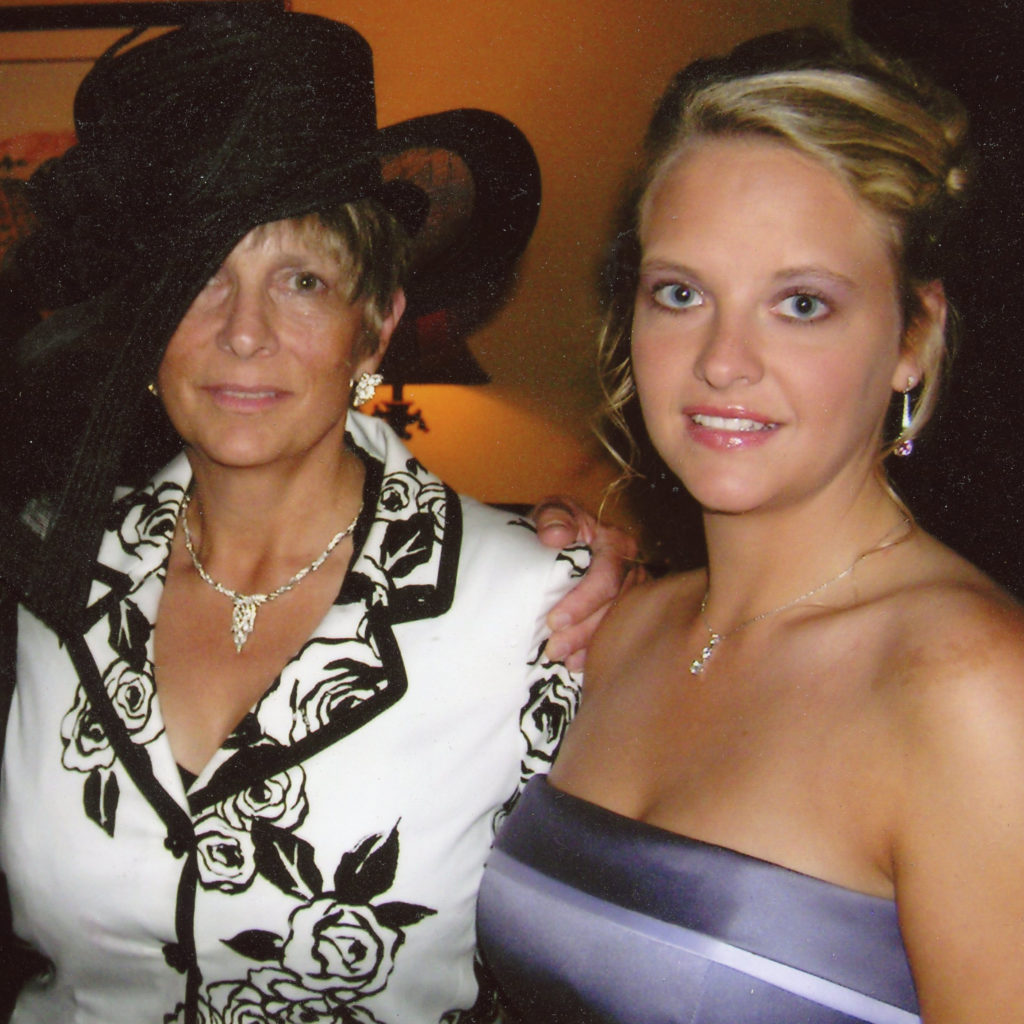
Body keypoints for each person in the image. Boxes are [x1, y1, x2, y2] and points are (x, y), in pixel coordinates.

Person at [0, 9, 634, 1023]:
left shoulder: (538, 613)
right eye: (199, 278)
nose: (244, 332)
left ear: (375, 325)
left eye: (301, 280)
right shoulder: (42, 571)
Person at [477, 28, 1024, 1024]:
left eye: (801, 303)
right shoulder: (627, 631)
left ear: (914, 336)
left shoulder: (969, 689)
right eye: (681, 294)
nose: (722, 360)